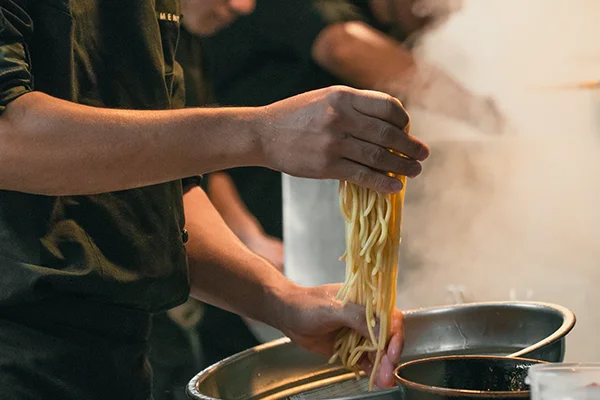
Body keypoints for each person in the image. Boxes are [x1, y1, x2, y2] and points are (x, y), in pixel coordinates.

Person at [0, 1, 429, 399]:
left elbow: (159, 184)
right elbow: (8, 136)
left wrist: (278, 299)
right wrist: (261, 134)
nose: (244, 7)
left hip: (110, 352)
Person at [198, 0, 503, 290]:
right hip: (253, 233)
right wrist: (482, 113)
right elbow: (344, 46)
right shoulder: (323, 16)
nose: (443, 14)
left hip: (315, 244)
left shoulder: (388, 28)